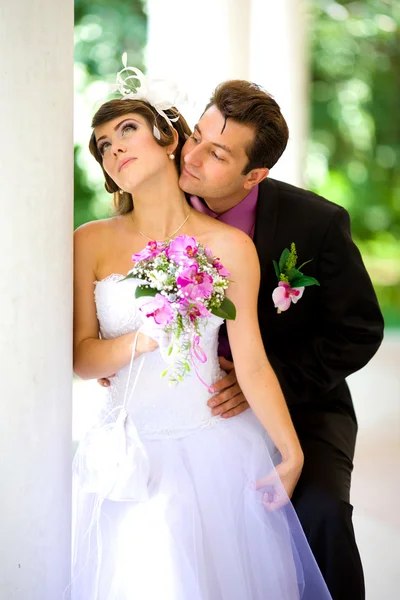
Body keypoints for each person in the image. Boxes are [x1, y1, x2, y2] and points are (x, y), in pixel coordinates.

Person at [96, 79, 384, 600]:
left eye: (218, 154)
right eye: (197, 137)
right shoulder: (151, 196)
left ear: (255, 176)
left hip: (301, 401)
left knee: (319, 512)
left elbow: (359, 330)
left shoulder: (315, 223)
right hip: (181, 406)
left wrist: (262, 382)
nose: (194, 156)